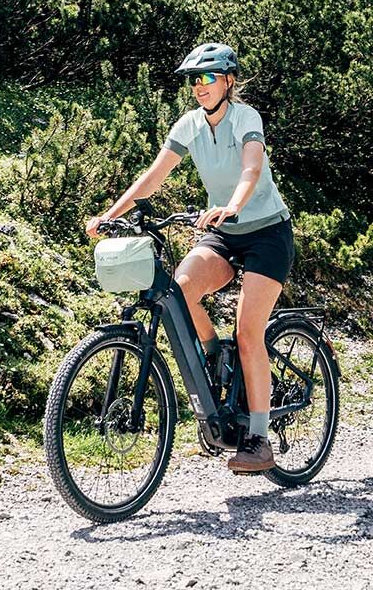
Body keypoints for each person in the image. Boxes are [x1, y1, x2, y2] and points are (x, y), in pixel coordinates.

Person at [85, 42, 294, 473]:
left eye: (208, 77)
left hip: (267, 234)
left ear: (228, 81)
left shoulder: (244, 118)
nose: (199, 87)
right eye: (194, 79)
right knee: (181, 288)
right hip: (224, 233)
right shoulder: (190, 125)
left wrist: (233, 204)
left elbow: (252, 168)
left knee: (249, 331)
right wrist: (110, 214)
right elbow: (154, 176)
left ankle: (258, 437)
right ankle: (216, 356)